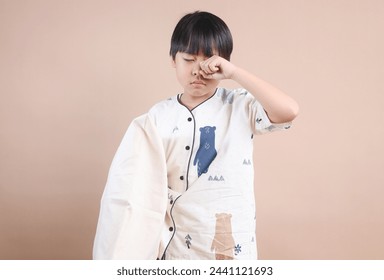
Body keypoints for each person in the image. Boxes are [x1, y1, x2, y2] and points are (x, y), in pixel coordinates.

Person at [93, 11, 299, 260]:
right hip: (177, 248)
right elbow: (136, 187)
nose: (198, 71)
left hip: (230, 250)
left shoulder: (240, 106)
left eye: (209, 62)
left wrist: (234, 74)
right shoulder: (157, 118)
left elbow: (288, 111)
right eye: (189, 59)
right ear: (173, 60)